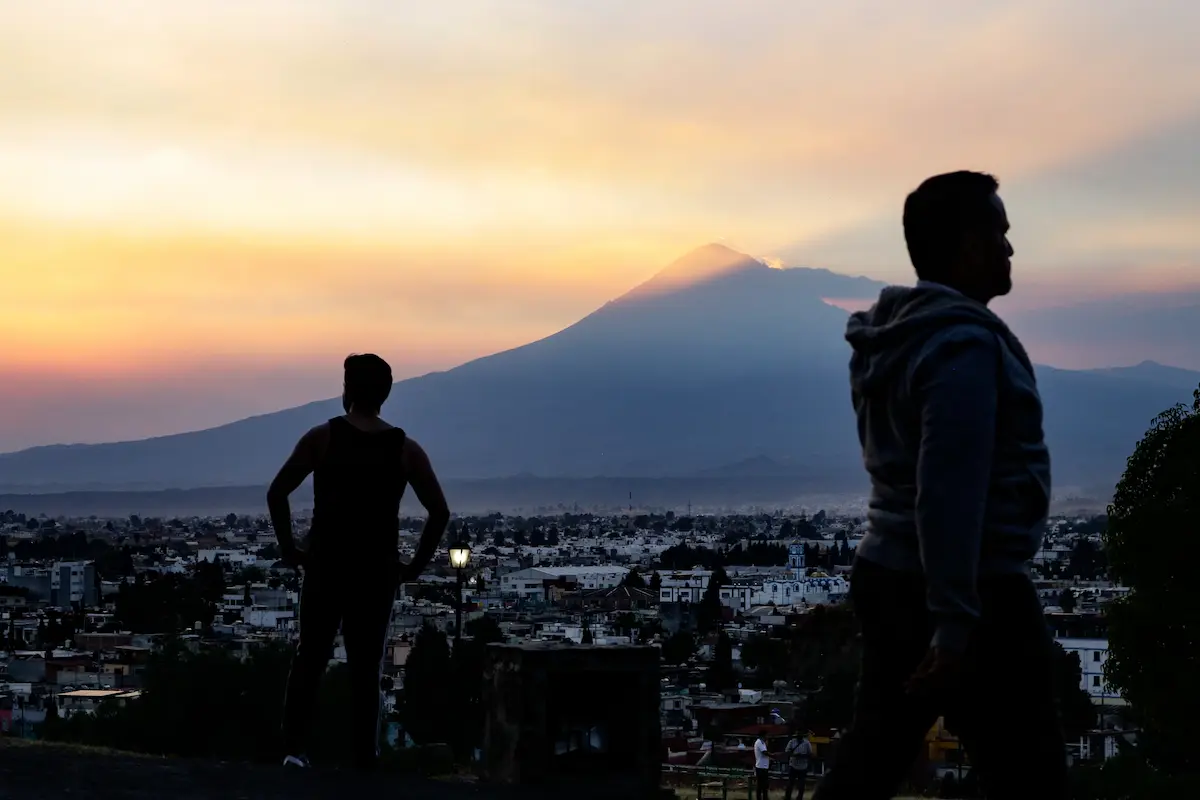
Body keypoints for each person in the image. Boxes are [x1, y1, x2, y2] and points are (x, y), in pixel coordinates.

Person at [812, 172, 1067, 798]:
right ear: (968, 246)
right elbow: (948, 490)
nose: (1010, 250)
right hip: (970, 588)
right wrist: (954, 622)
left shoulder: (890, 339)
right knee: (1032, 771)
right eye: (1001, 234)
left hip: (890, 570)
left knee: (872, 755)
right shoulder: (961, 347)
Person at [268, 353, 450, 771]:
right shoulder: (405, 449)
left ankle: (294, 750)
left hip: (326, 565)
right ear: (384, 395)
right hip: (376, 571)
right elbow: (439, 511)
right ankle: (364, 758)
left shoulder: (322, 438)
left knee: (310, 656)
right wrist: (414, 566)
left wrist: (290, 550)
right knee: (365, 667)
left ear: (347, 390)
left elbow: (277, 492)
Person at [783, 728, 811, 800]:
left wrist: (803, 755)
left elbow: (810, 754)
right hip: (793, 765)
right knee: (790, 783)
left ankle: (799, 797)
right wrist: (794, 755)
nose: (799, 735)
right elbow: (787, 752)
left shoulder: (807, 743)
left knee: (801, 784)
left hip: (803, 766)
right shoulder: (792, 742)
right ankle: (787, 797)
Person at [753, 729, 771, 800]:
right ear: (763, 735)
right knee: (760, 785)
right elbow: (764, 752)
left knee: (765, 785)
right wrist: (773, 755)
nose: (768, 737)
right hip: (760, 767)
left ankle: (765, 797)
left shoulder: (763, 743)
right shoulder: (759, 742)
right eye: (767, 735)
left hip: (764, 766)